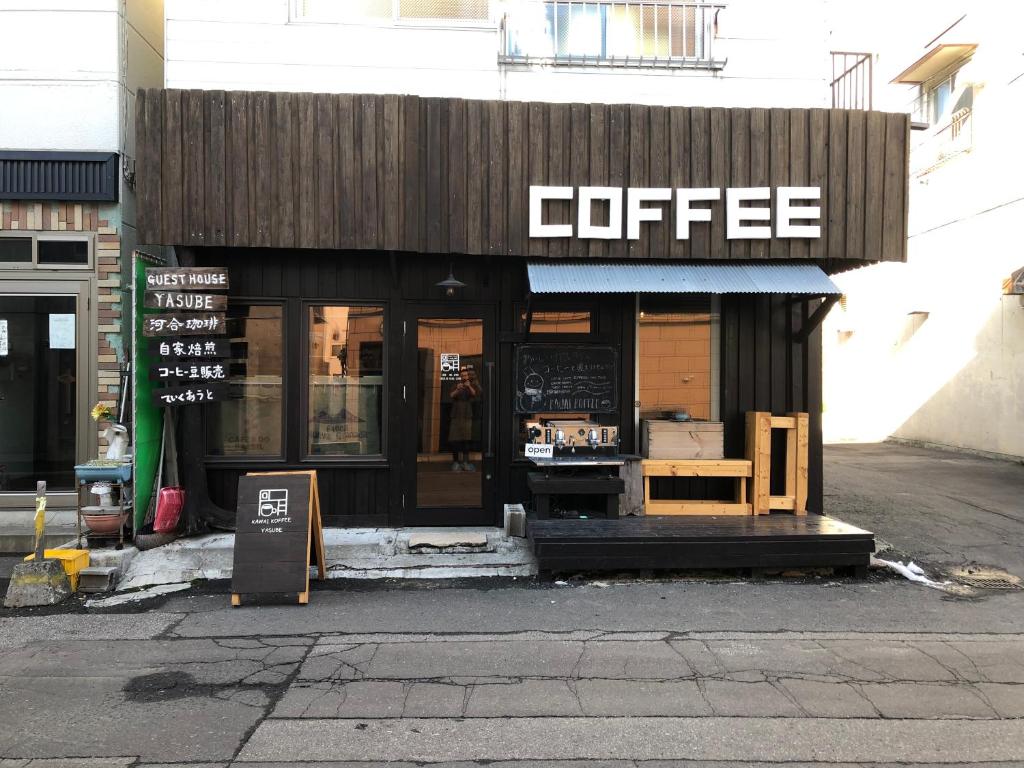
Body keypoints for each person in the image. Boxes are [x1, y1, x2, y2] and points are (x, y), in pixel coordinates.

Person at [448, 366, 480, 471]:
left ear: (468, 376)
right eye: (462, 376)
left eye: (466, 375)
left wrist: (469, 386)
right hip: (456, 416)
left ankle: (466, 462)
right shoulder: (455, 385)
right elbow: (451, 395)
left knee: (466, 439)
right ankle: (456, 462)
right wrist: (458, 389)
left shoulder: (472, 385)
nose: (464, 377)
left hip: (467, 415)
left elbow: (475, 394)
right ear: (459, 377)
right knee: (455, 440)